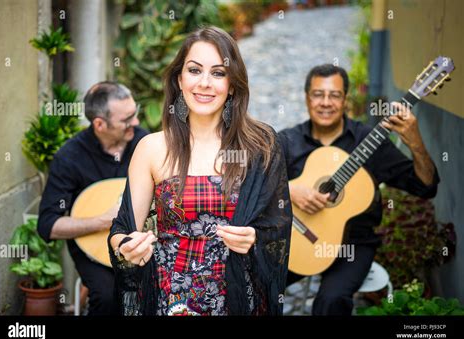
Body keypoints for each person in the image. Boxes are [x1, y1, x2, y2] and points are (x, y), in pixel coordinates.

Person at [108, 26, 292, 316]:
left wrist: (254, 237)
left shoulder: (261, 146)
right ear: (180, 79)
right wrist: (126, 248)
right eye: (194, 70)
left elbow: (278, 228)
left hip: (239, 298)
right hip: (171, 298)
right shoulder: (151, 148)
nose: (205, 82)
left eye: (218, 73)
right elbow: (121, 231)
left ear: (232, 84)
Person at [279, 64, 439, 315]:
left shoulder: (369, 141)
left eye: (335, 95)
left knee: (331, 301)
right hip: (300, 237)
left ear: (346, 100)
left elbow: (425, 187)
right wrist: (289, 189)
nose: (326, 102)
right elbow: (252, 184)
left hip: (353, 245)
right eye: (318, 94)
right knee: (253, 282)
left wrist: (416, 142)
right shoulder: (288, 141)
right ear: (307, 98)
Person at [37, 82, 148, 315]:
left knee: (158, 287)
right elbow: (47, 224)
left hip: (141, 242)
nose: (135, 123)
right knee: (107, 296)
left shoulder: (143, 142)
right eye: (127, 119)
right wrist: (103, 221)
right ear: (99, 124)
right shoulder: (69, 158)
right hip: (94, 247)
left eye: (134, 114)